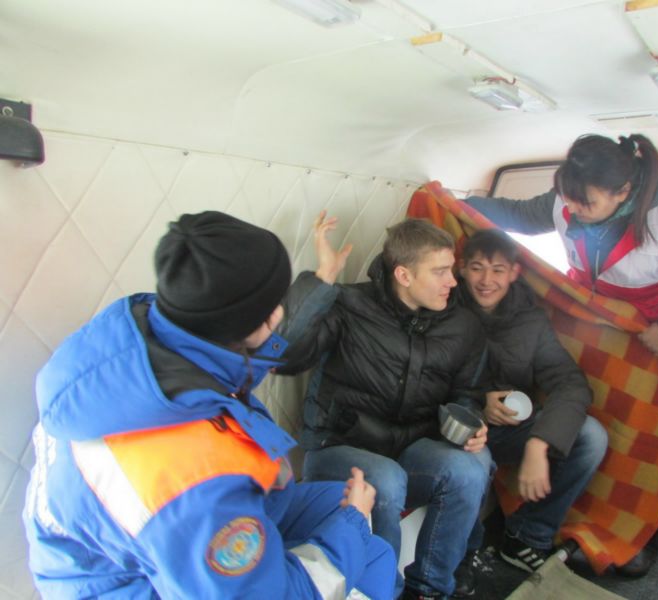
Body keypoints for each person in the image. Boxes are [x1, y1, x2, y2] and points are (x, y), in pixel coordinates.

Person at [23, 211, 396, 599]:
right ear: (247, 322)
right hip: (137, 584)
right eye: (274, 303)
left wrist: (322, 278)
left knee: (369, 544)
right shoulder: (194, 481)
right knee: (359, 539)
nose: (280, 311)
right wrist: (353, 522)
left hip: (142, 539)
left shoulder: (138, 344)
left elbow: (252, 354)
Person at [464, 133, 658, 576]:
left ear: (623, 191)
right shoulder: (569, 197)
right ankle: (569, 519)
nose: (573, 210)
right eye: (568, 199)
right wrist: (456, 204)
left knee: (646, 443)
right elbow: (517, 215)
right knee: (595, 423)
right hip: (602, 330)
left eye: (586, 203)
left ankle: (638, 535)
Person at [278, 217, 493, 600]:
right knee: (387, 480)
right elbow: (283, 356)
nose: (453, 281)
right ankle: (381, 593)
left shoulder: (462, 325)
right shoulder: (349, 305)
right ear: (404, 275)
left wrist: (471, 422)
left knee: (471, 468)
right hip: (337, 447)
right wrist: (323, 279)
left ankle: (428, 590)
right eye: (440, 271)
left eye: (451, 269)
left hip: (409, 447)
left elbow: (468, 392)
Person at [456, 228, 608, 576]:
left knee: (591, 436)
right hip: (459, 425)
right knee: (472, 460)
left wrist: (540, 443)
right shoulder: (443, 307)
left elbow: (570, 383)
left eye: (497, 270)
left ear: (514, 272)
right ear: (461, 269)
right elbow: (427, 377)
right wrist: (480, 401)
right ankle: (464, 556)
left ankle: (527, 535)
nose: (486, 281)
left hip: (511, 428)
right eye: (477, 268)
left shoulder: (530, 321)